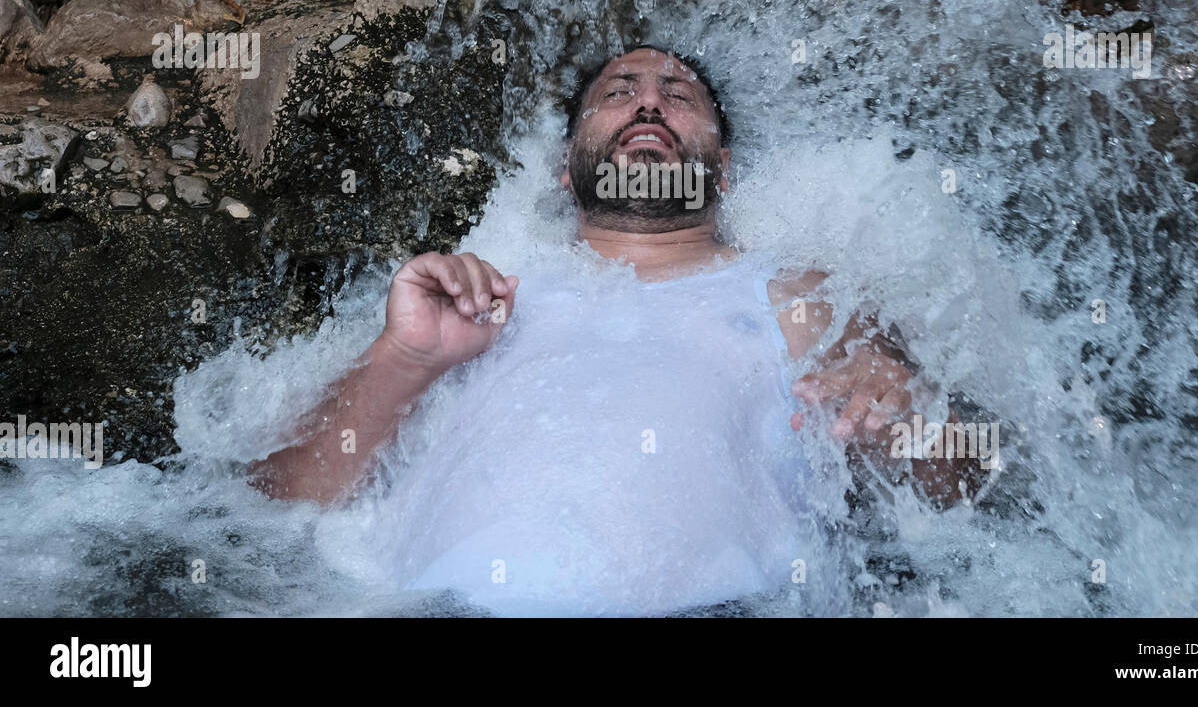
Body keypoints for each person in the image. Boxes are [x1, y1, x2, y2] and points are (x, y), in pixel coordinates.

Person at [249, 45, 986, 614]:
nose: (649, 105)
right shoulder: (480, 298)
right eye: (618, 94)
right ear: (568, 171)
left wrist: (906, 415)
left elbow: (964, 493)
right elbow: (266, 515)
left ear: (722, 171)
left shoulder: (799, 293)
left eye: (680, 96)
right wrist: (403, 357)